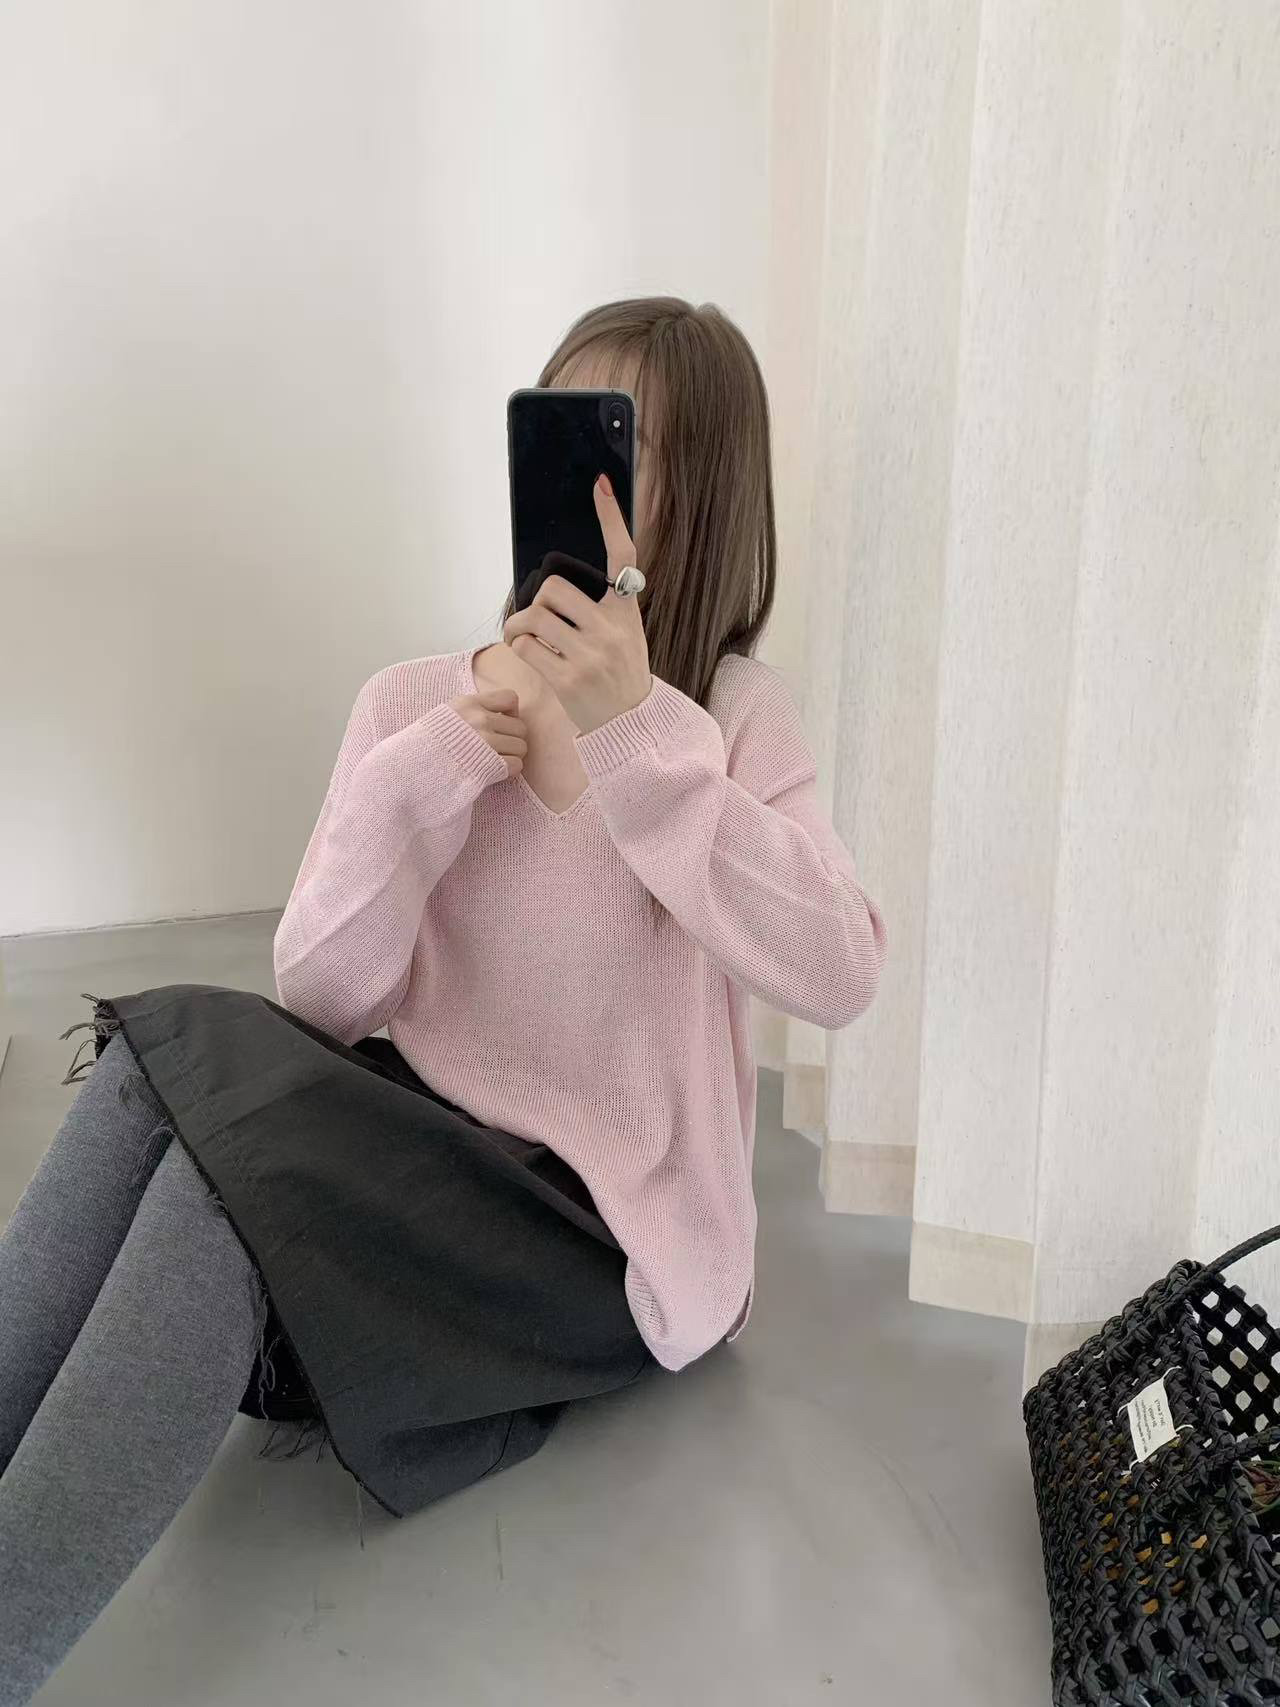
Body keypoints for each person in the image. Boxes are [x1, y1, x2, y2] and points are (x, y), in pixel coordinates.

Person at [0, 295, 886, 1700]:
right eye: (561, 433)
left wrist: (642, 740)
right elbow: (321, 993)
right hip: (421, 1137)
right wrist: (437, 766)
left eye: (625, 448)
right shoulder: (415, 700)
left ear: (703, 492)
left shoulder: (726, 721)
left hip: (603, 1225)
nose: (588, 484)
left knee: (220, 1188)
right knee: (168, 1065)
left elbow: (839, 971)